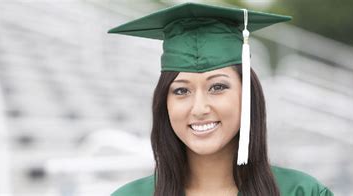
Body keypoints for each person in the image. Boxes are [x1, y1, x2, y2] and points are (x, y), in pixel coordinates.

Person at [107, 2, 334, 196]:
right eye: (181, 91)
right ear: (164, 103)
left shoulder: (302, 191)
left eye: (217, 87)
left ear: (247, 94)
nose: (199, 108)